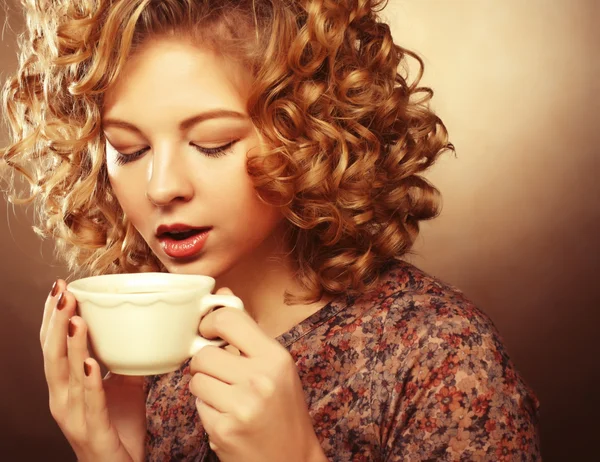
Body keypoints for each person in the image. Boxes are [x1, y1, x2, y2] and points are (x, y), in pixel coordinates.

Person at [1, 0, 540, 460]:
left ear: (310, 133)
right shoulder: (146, 359)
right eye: (129, 149)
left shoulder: (441, 355)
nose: (161, 187)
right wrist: (104, 454)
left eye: (212, 143)